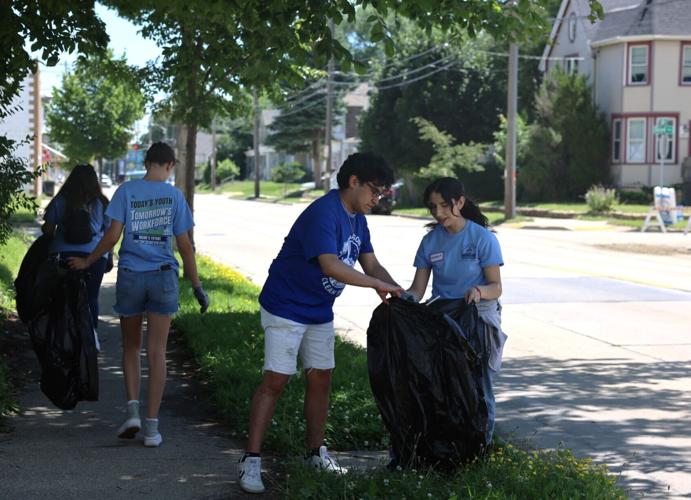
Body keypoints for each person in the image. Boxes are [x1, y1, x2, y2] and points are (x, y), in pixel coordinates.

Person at [238, 152, 403, 494]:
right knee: (276, 381)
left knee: (321, 379)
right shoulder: (323, 213)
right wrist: (377, 285)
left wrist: (397, 291)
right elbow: (330, 265)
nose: (378, 199)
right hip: (286, 306)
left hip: (318, 310)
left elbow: (371, 266)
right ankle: (250, 460)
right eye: (375, 190)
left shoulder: (358, 219)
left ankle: (316, 453)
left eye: (383, 193)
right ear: (353, 181)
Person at [69, 142, 209, 447]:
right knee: (157, 352)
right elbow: (185, 246)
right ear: (171, 165)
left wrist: (88, 261)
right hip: (163, 278)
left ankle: (132, 411)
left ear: (146, 163)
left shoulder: (126, 191)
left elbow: (112, 236)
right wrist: (197, 286)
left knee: (131, 347)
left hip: (131, 276)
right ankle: (152, 428)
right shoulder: (174, 196)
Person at [405, 177, 506, 445]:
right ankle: (450, 445)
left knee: (478, 384)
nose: (438, 214)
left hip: (477, 316)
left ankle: (481, 445)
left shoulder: (482, 239)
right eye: (432, 207)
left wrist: (479, 291)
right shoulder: (430, 242)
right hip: (444, 319)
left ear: (459, 202)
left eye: (444, 206)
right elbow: (417, 289)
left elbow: (496, 287)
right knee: (444, 382)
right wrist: (402, 301)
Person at [42, 163, 111, 349]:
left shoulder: (60, 201)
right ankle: (91, 337)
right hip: (94, 257)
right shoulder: (102, 203)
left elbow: (48, 231)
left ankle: (58, 336)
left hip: (62, 255)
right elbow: (110, 234)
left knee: (59, 296)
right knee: (91, 297)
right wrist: (108, 257)